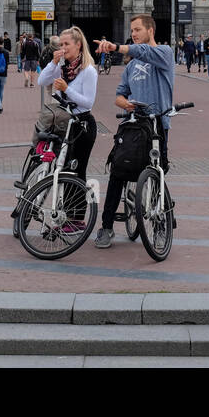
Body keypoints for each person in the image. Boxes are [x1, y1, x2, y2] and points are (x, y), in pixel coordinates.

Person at [92, 15, 174, 248]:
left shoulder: (164, 54)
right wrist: (125, 104)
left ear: (151, 30)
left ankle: (159, 227)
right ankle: (106, 227)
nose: (134, 33)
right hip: (131, 125)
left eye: (138, 29)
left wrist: (116, 47)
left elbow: (145, 52)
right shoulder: (131, 66)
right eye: (132, 30)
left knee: (157, 173)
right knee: (117, 174)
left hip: (157, 125)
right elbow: (119, 95)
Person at [37, 26, 99, 183]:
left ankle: (77, 207)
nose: (63, 48)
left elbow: (88, 102)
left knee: (76, 170)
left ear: (78, 45)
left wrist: (66, 89)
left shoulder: (88, 71)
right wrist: (53, 62)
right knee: (62, 169)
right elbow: (42, 81)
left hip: (82, 124)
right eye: (61, 45)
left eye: (66, 44)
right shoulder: (61, 68)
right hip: (63, 122)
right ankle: (64, 206)